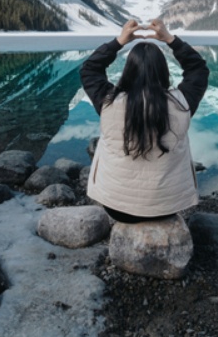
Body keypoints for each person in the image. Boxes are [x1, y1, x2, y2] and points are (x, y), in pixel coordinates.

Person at [80, 18, 209, 224]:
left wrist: (119, 41)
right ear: (164, 71)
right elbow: (198, 69)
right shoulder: (181, 103)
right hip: (166, 207)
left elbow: (90, 69)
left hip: (116, 206)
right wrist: (170, 39)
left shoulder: (109, 102)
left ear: (128, 71)